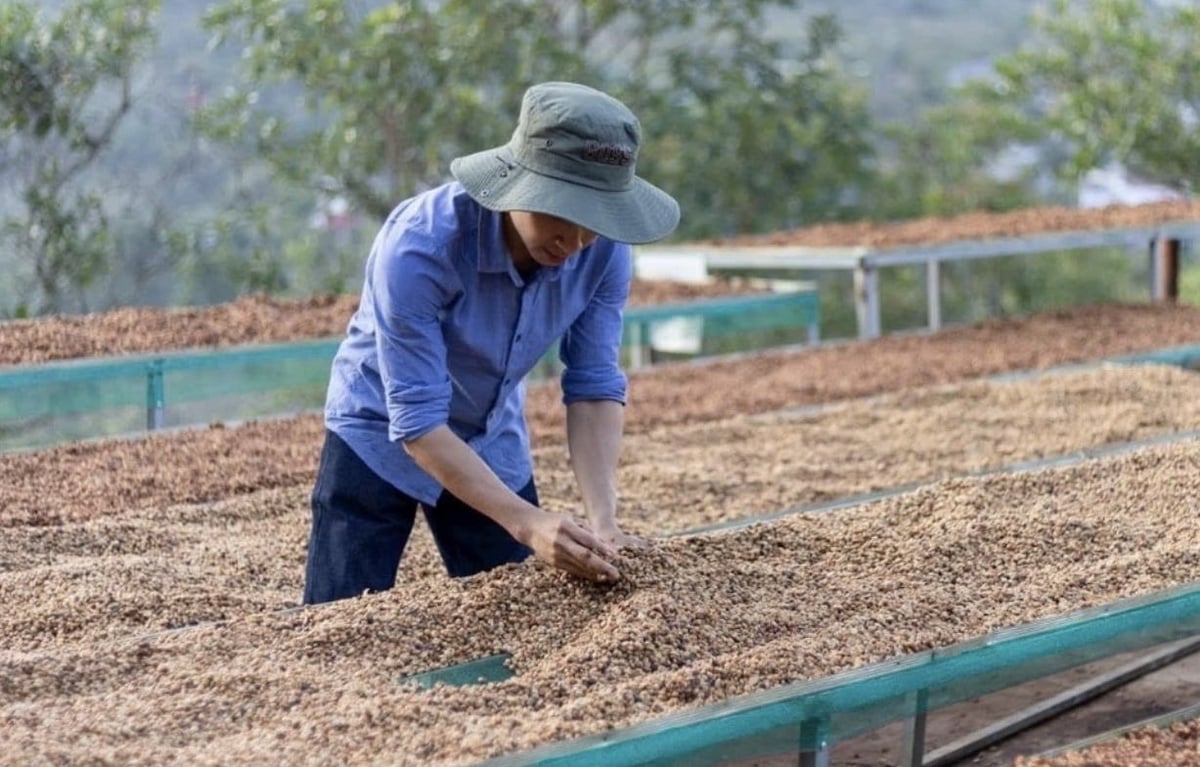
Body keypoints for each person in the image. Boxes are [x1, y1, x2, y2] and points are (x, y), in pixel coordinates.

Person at [302, 81, 681, 605]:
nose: (572, 244)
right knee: (338, 621)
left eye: (592, 224)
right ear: (521, 183)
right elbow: (416, 422)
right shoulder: (421, 246)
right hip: (377, 433)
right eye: (563, 214)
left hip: (489, 434)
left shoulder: (603, 253)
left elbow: (592, 384)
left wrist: (604, 519)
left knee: (521, 616)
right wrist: (527, 524)